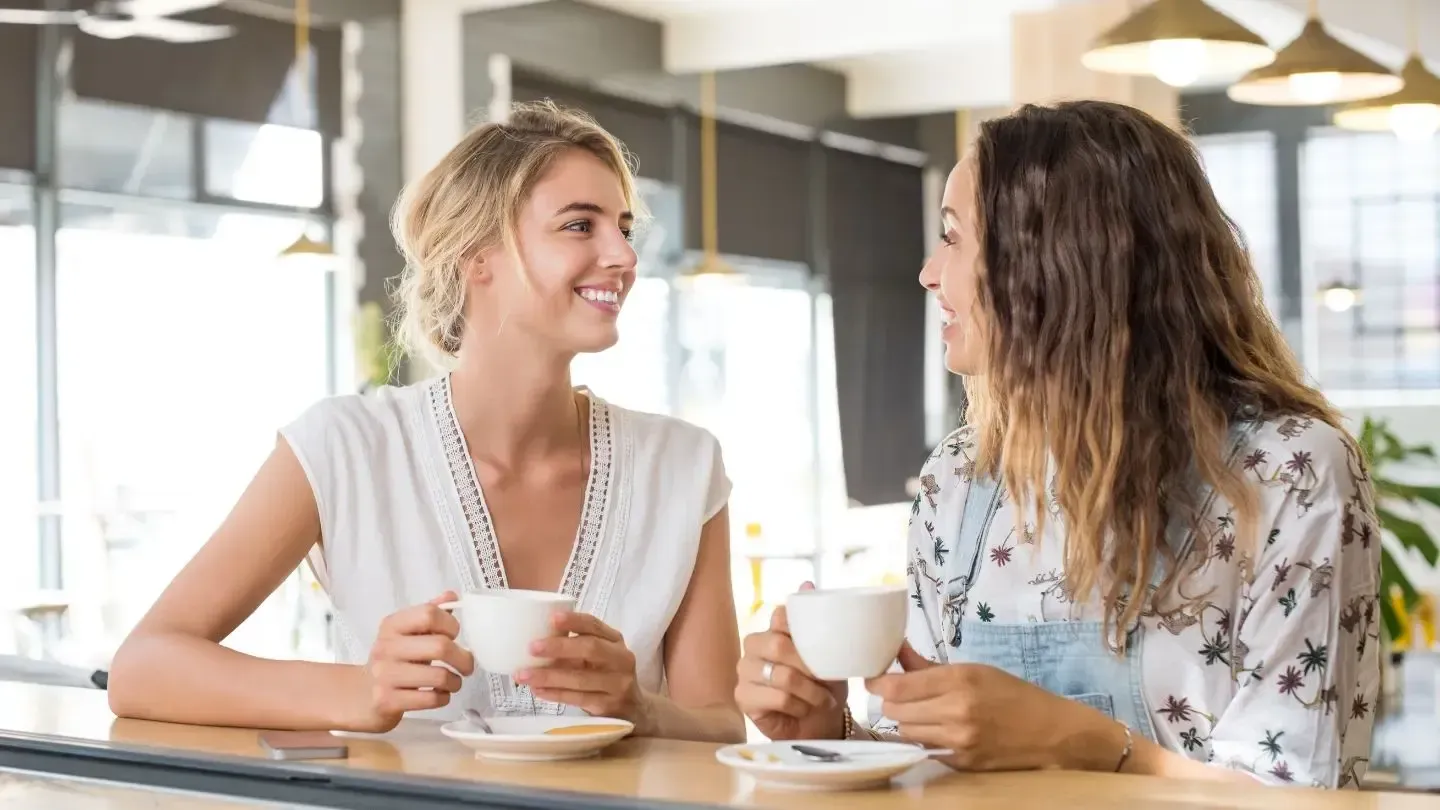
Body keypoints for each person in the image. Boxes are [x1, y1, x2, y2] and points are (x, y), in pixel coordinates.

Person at [736, 100, 1381, 788]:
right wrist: (832, 734)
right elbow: (930, 765)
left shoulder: (1288, 474)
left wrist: (1081, 740)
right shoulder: (957, 479)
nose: (929, 273)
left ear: (1056, 263)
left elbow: (1299, 797)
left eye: (953, 238)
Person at [108, 101, 745, 744]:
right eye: (581, 226)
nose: (624, 257)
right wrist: (359, 690)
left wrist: (640, 707)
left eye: (624, 229)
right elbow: (143, 667)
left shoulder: (684, 466)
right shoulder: (343, 449)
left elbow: (720, 724)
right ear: (477, 258)